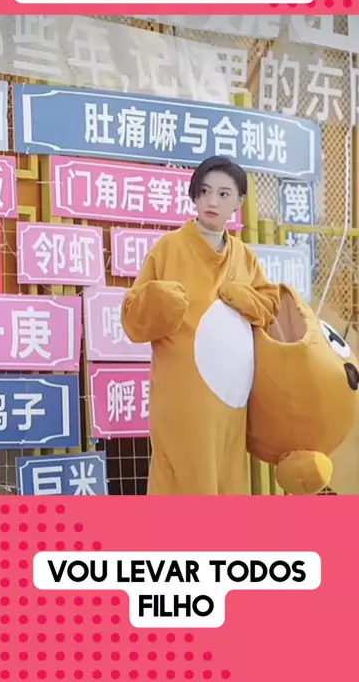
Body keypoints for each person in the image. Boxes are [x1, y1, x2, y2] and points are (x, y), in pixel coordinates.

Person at [121, 156, 280, 495]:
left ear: (238, 202)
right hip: (183, 394)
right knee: (184, 479)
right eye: (205, 191)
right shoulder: (169, 248)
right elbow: (134, 319)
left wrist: (245, 299)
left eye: (224, 194)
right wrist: (160, 301)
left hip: (230, 399)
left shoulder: (245, 257)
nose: (212, 201)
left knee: (228, 479)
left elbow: (269, 307)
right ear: (194, 195)